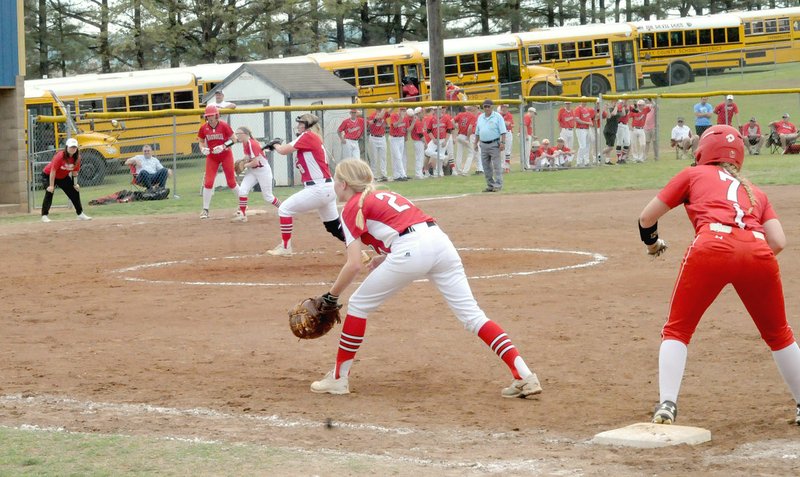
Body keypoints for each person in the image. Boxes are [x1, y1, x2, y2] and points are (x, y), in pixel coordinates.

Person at [308, 158, 543, 399]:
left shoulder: (351, 207)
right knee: (473, 315)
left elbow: (354, 263)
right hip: (440, 243)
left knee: (358, 305)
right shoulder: (388, 194)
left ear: (344, 184)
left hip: (412, 248)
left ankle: (338, 379)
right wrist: (386, 256)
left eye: (336, 181)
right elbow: (405, 227)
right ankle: (525, 375)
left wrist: (332, 295)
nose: (334, 186)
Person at [638, 124, 800, 426]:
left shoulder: (693, 174)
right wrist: (746, 263)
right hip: (758, 252)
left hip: (711, 246)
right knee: (780, 335)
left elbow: (646, 218)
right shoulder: (756, 191)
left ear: (703, 152)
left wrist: (653, 245)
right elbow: (778, 241)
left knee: (677, 330)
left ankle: (667, 405)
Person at [266, 114, 344, 255]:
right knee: (333, 227)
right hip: (325, 187)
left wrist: (276, 145)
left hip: (318, 188)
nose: (298, 126)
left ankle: (285, 247)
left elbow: (283, 150)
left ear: (307, 126)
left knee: (284, 209)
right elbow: (287, 149)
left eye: (301, 123)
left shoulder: (308, 136)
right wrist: (275, 147)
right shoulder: (311, 138)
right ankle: (359, 246)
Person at [197, 104, 240, 219]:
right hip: (212, 157)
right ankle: (205, 210)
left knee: (231, 182)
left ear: (217, 115)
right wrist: (202, 149)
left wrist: (223, 146)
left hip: (226, 155)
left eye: (212, 115)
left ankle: (242, 206)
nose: (210, 118)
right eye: (208, 116)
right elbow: (201, 141)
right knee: (208, 183)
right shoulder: (203, 128)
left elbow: (234, 139)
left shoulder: (224, 126)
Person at [230, 126, 281, 223]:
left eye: (239, 134)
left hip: (263, 171)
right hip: (253, 171)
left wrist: (244, 165)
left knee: (268, 197)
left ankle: (283, 208)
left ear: (245, 134)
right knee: (242, 190)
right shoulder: (245, 143)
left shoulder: (252, 143)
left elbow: (256, 163)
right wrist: (243, 161)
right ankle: (243, 215)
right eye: (236, 134)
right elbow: (247, 157)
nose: (237, 136)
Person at [40, 138, 92, 222]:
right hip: (48, 175)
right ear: (67, 147)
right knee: (49, 192)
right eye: (71, 147)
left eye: (74, 147)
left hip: (62, 177)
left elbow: (75, 172)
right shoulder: (60, 156)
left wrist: (75, 184)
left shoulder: (77, 158)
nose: (73, 149)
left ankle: (80, 214)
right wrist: (51, 185)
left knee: (75, 192)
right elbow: (53, 171)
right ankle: (44, 216)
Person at [473, 99, 507, 192]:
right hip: (483, 144)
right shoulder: (480, 117)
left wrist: (503, 143)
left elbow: (503, 131)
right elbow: (477, 132)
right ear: (483, 107)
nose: (487, 108)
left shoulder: (497, 116)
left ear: (492, 107)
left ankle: (498, 184)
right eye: (485, 106)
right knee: (486, 166)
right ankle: (490, 185)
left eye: (488, 106)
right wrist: (475, 143)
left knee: (496, 165)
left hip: (494, 143)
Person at [424, 106, 455, 177]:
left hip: (443, 139)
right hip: (435, 140)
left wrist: (446, 141)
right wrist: (433, 139)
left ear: (440, 110)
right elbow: (428, 131)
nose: (435, 111)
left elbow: (449, 130)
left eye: (437, 109)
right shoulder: (432, 119)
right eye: (434, 110)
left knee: (440, 157)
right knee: (427, 151)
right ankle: (444, 157)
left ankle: (439, 172)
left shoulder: (446, 118)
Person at [387, 107, 412, 181]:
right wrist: (400, 119)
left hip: (401, 138)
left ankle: (396, 176)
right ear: (399, 110)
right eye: (402, 110)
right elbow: (395, 125)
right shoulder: (394, 115)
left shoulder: (406, 118)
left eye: (404, 110)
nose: (403, 111)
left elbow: (407, 129)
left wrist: (406, 136)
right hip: (393, 138)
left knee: (398, 157)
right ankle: (403, 174)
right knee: (397, 157)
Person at [367, 105, 390, 182]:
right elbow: (370, 123)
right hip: (374, 137)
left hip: (382, 137)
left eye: (381, 108)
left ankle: (384, 175)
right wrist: (375, 119)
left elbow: (390, 111)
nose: (380, 109)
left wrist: (391, 103)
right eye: (379, 108)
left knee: (383, 157)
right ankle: (373, 175)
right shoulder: (372, 115)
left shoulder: (384, 114)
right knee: (374, 158)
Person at [454, 105, 477, 176]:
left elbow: (452, 121)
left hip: (459, 135)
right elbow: (470, 128)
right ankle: (465, 171)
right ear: (472, 109)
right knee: (471, 153)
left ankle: (458, 171)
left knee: (459, 153)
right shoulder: (473, 116)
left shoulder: (460, 114)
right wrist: (468, 137)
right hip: (465, 136)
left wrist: (457, 127)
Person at [601, 100, 623, 165]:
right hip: (608, 130)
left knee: (609, 146)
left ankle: (607, 161)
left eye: (616, 102)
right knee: (610, 147)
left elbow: (615, 114)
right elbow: (611, 115)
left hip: (613, 130)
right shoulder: (610, 109)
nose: (615, 103)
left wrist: (617, 107)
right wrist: (615, 106)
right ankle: (599, 155)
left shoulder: (618, 111)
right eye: (614, 102)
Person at [409, 107, 427, 179]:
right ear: (419, 113)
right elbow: (420, 134)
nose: (423, 114)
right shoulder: (417, 121)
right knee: (419, 158)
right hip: (418, 141)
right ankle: (418, 174)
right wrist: (425, 143)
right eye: (422, 112)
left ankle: (419, 173)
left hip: (418, 141)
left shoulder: (419, 120)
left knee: (420, 157)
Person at [573, 102, 592, 167]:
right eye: (583, 100)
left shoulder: (586, 109)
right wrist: (587, 123)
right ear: (581, 101)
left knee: (587, 146)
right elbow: (577, 119)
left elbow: (589, 118)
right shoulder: (578, 109)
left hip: (587, 129)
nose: (585, 102)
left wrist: (590, 122)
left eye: (586, 101)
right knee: (582, 146)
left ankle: (586, 162)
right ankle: (579, 162)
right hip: (580, 129)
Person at [498, 104, 514, 173]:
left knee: (507, 151)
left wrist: (500, 121)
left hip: (508, 133)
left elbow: (508, 124)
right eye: (503, 107)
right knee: (501, 151)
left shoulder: (509, 115)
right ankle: (502, 166)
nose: (505, 109)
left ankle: (507, 167)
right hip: (500, 133)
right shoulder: (498, 115)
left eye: (506, 107)